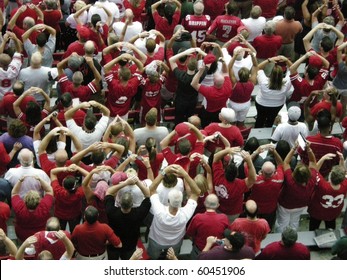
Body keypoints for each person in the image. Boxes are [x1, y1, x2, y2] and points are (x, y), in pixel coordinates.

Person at [147, 164, 201, 259]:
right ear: (182, 201)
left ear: (168, 201)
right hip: (176, 242)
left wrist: (163, 172)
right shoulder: (186, 213)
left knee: (153, 258)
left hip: (156, 240)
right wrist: (185, 174)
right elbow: (197, 192)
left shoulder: (159, 210)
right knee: (172, 259)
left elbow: (151, 189)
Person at [105, 173, 151, 260]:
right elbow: (147, 195)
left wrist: (126, 183)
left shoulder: (111, 212)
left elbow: (109, 192)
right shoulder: (138, 214)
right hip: (130, 246)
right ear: (132, 204)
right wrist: (137, 181)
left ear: (119, 203)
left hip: (114, 244)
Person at [213, 147, 256, 222]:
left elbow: (216, 157)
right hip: (233, 213)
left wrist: (227, 150)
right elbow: (253, 179)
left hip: (218, 208)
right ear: (237, 174)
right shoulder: (240, 184)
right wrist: (249, 161)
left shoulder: (218, 176)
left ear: (224, 171)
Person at [191, 54, 231, 127]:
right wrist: (224, 63)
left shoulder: (209, 91)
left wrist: (201, 71)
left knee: (205, 125)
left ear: (214, 82)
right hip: (221, 111)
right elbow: (225, 72)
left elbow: (193, 84)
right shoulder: (228, 86)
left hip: (208, 112)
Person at [11, 175, 54, 242]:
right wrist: (40, 179)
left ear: (25, 200)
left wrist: (20, 181)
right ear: (39, 201)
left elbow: (14, 193)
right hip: (40, 234)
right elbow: (49, 191)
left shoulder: (19, 207)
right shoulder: (44, 207)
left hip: (22, 235)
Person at [186, 194, 229, 259]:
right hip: (217, 253)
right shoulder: (224, 218)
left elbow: (190, 234)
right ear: (218, 205)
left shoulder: (197, 217)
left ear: (204, 203)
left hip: (199, 250)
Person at [254, 55, 292, 128]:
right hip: (277, 105)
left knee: (260, 119)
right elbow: (293, 69)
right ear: (282, 74)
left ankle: (258, 131)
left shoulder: (264, 81)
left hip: (261, 104)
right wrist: (286, 60)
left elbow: (258, 67)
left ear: (271, 73)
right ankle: (268, 128)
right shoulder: (286, 83)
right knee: (271, 120)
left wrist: (269, 60)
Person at [50, 164, 89, 232]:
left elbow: (52, 172)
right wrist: (77, 167)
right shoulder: (79, 193)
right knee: (73, 231)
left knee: (59, 232)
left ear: (63, 184)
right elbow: (89, 175)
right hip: (75, 216)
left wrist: (65, 169)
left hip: (60, 216)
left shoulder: (58, 191)